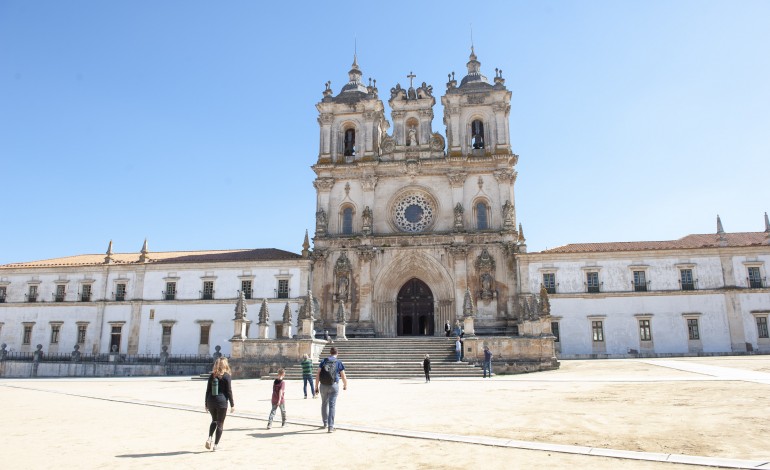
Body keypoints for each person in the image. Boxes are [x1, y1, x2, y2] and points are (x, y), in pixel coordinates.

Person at [315, 346, 348, 433]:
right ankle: (331, 426)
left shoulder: (324, 361)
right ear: (337, 353)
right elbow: (343, 376)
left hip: (323, 385)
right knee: (332, 405)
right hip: (334, 385)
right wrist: (345, 385)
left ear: (330, 352)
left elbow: (318, 374)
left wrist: (316, 386)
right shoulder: (338, 362)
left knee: (324, 404)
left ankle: (325, 423)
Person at [204, 357, 235, 451]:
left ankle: (209, 438)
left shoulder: (212, 375)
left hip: (210, 401)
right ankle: (216, 445)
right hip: (221, 402)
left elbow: (208, 390)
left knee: (214, 420)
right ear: (225, 365)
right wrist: (232, 404)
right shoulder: (226, 376)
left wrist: (206, 403)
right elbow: (229, 391)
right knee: (220, 423)